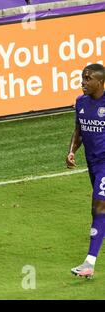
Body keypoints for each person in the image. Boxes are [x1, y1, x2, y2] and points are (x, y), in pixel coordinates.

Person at [67, 63, 105, 279]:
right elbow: (79, 130)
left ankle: (89, 263)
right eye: (83, 77)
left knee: (99, 206)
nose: (83, 82)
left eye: (88, 79)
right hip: (92, 163)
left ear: (99, 82)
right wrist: (72, 151)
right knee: (97, 210)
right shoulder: (81, 102)